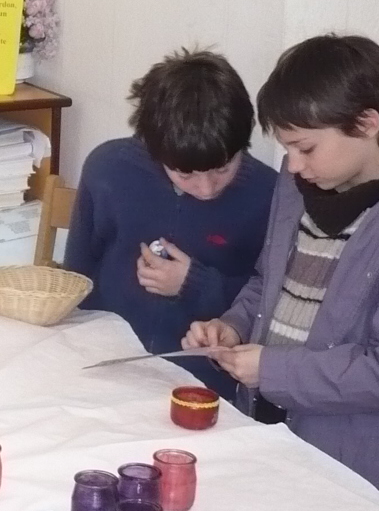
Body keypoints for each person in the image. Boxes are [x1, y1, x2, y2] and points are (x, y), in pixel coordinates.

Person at [185, 35, 379, 511]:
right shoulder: (297, 188)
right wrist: (233, 326)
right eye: (288, 149)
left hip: (354, 472)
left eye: (306, 148)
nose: (294, 165)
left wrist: (273, 369)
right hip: (272, 436)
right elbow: (267, 283)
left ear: (367, 123)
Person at [65, 49, 276, 395]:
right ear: (153, 148)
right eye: (185, 174)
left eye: (223, 168)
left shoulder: (269, 194)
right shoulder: (108, 169)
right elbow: (76, 279)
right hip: (105, 364)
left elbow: (272, 304)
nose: (206, 189)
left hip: (201, 382)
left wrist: (194, 284)